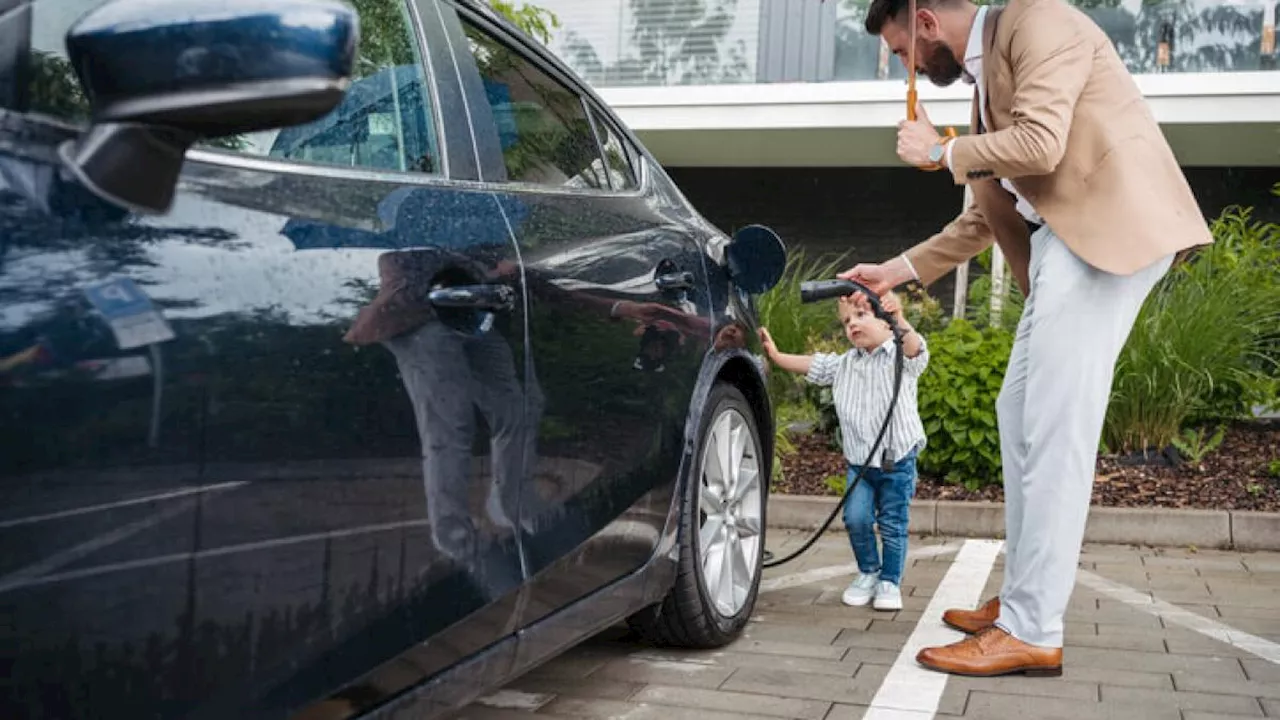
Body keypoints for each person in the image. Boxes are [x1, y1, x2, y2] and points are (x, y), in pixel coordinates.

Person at [848, 0, 1214, 677]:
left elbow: (1043, 143)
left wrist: (941, 149)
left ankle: (1032, 626)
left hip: (1104, 234)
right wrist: (898, 269)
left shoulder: (1036, 19)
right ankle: (1023, 599)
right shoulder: (987, 82)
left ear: (926, 21)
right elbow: (984, 218)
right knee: (1018, 413)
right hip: (1065, 249)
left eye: (902, 51)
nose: (906, 67)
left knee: (1053, 425)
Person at [759, 292, 928, 611]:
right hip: (861, 464)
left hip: (898, 460)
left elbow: (915, 348)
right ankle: (869, 572)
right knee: (856, 517)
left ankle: (890, 581)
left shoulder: (899, 357)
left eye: (862, 315)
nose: (852, 324)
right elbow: (812, 364)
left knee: (892, 523)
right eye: (847, 321)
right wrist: (777, 355)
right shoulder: (844, 364)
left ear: (885, 322)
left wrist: (900, 317)